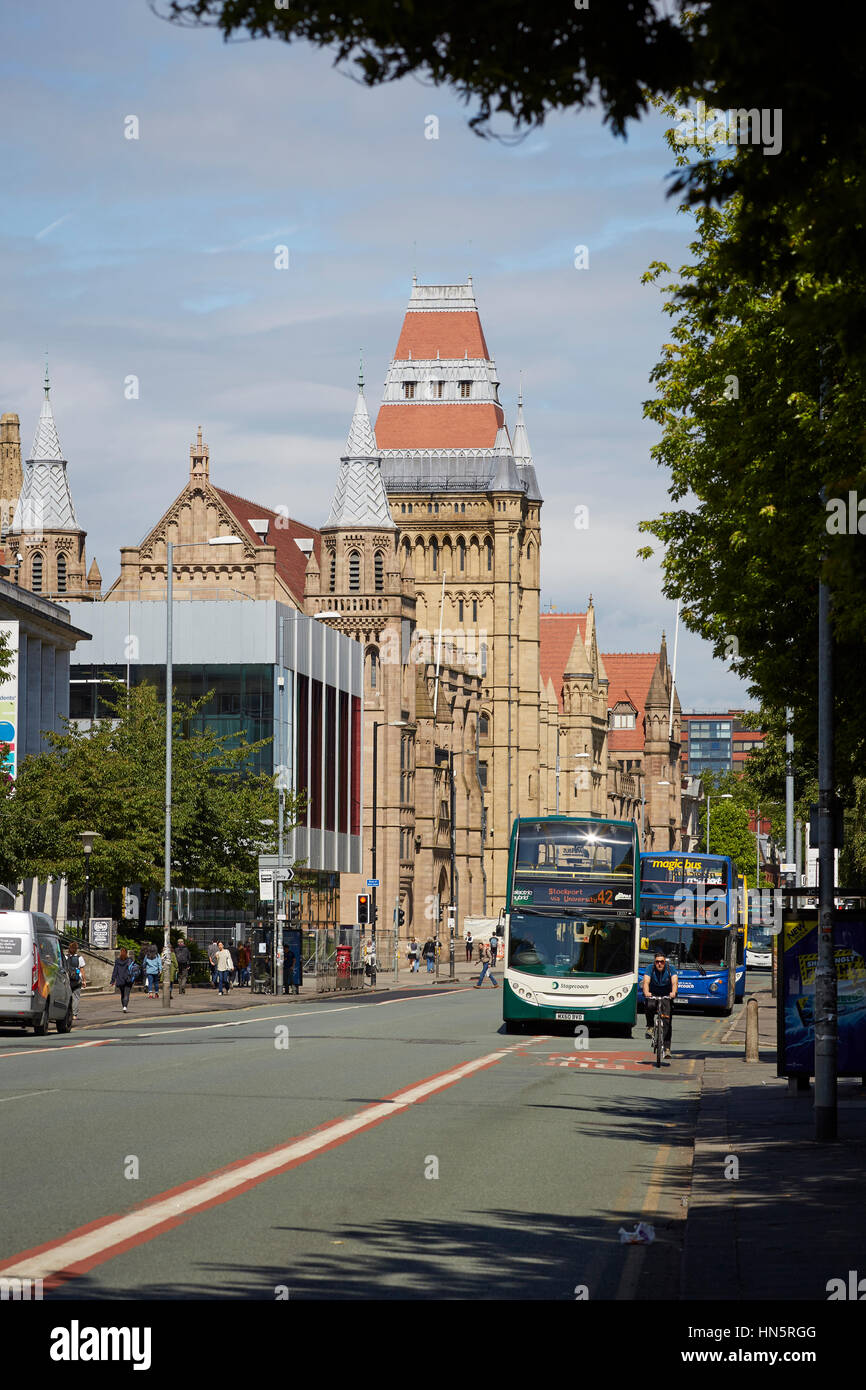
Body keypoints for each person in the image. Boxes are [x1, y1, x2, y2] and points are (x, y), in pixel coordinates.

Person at [642, 952, 678, 1059]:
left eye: (661, 962)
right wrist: (646, 993)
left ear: (664, 962)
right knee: (649, 1005)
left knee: (667, 1021)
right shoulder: (650, 968)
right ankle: (650, 1027)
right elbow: (645, 982)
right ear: (654, 962)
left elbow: (674, 983)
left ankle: (667, 1049)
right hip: (653, 994)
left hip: (667, 995)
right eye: (657, 962)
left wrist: (673, 993)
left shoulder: (670, 968)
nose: (659, 964)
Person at [65, 940, 86, 1019]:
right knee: (76, 997)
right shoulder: (80, 958)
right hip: (77, 980)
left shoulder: (65, 957)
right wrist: (84, 980)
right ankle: (74, 1014)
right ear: (76, 949)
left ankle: (67, 1013)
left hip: (68, 980)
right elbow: (82, 970)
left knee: (68, 997)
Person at [110, 948, 135, 1012]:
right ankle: (125, 1006)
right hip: (128, 979)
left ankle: (123, 1006)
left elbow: (115, 971)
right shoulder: (130, 960)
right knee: (127, 994)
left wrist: (112, 980)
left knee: (122, 994)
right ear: (126, 953)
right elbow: (133, 969)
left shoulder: (117, 961)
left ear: (120, 953)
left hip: (120, 979)